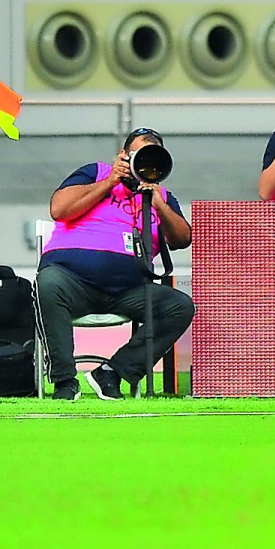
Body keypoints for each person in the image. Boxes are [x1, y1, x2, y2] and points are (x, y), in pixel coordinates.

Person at [36, 128, 195, 401]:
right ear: (123, 155)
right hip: (72, 281)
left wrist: (159, 204)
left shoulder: (162, 197)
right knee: (47, 284)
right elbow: (59, 210)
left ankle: (113, 373)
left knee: (180, 307)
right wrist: (111, 181)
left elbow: (181, 239)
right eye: (138, 156)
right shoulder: (95, 173)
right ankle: (64, 381)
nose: (143, 165)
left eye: (151, 158)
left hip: (128, 291)